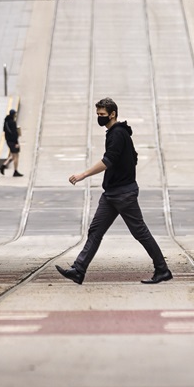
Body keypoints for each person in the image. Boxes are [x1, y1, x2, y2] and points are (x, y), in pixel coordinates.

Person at [56, 98, 172, 286]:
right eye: (98, 115)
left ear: (113, 114)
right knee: (96, 230)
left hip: (123, 194)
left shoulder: (118, 134)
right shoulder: (116, 133)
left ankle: (162, 269)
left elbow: (108, 160)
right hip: (112, 194)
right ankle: (78, 270)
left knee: (140, 232)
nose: (99, 118)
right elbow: (132, 158)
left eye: (102, 115)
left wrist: (83, 174)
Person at [0, 109, 24, 177]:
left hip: (8, 141)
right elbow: (14, 134)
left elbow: (5, 130)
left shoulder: (6, 122)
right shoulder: (13, 122)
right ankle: (15, 171)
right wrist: (16, 143)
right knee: (16, 156)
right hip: (13, 141)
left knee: (13, 156)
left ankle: (3, 166)